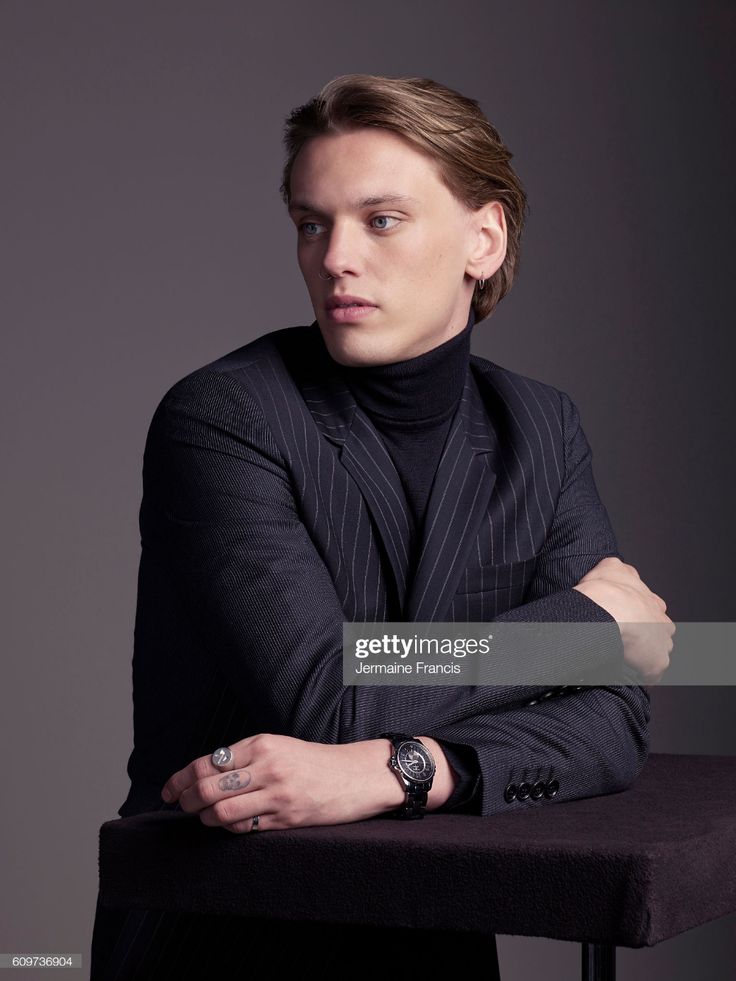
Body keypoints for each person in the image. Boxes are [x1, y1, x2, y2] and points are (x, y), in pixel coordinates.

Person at [91, 73, 672, 978]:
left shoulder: (541, 429)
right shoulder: (223, 417)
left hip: (431, 935)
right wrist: (589, 629)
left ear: (484, 238)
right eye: (311, 222)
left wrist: (412, 767)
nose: (334, 258)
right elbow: (330, 692)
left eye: (381, 219)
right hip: (226, 935)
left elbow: (613, 719)